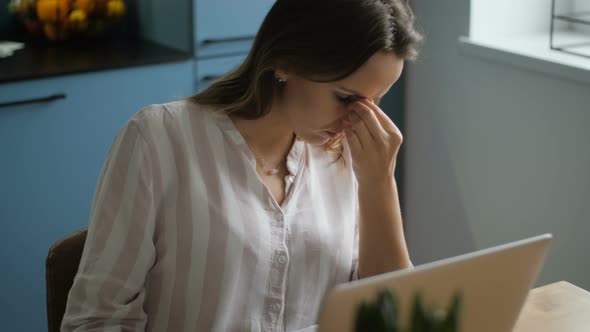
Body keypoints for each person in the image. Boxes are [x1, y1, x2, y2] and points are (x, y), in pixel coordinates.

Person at [61, 0, 424, 330]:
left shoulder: (353, 160)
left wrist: (379, 184)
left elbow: (392, 316)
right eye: (346, 98)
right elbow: (95, 321)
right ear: (285, 61)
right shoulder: (159, 140)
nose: (359, 120)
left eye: (377, 101)